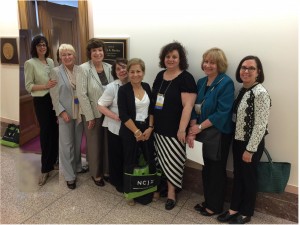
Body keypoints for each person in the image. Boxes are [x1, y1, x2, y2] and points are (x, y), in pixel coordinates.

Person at [217, 56, 271, 224]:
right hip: (238, 140)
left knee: (248, 178)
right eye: (243, 67)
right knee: (238, 175)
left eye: (251, 68)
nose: (246, 71)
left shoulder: (260, 93)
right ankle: (234, 208)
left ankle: (247, 212)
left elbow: (260, 125)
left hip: (250, 145)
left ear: (258, 72)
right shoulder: (243, 90)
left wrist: (250, 149)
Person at [187, 47, 235, 216]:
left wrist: (199, 127)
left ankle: (214, 206)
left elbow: (223, 113)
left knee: (216, 170)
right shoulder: (201, 82)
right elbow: (193, 106)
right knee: (206, 168)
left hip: (218, 134)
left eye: (212, 62)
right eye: (206, 61)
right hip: (201, 132)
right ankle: (209, 201)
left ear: (220, 64)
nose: (208, 65)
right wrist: (193, 129)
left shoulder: (226, 83)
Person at [152, 41, 197, 210]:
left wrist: (181, 129)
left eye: (174, 57)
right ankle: (159, 188)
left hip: (174, 130)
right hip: (158, 128)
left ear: (180, 59)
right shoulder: (159, 75)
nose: (170, 59)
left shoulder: (186, 78)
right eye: (168, 56)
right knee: (159, 161)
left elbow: (188, 106)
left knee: (173, 161)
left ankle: (171, 193)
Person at [118, 58, 156, 205]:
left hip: (147, 129)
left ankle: (147, 189)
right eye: (132, 71)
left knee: (148, 159)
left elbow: (152, 109)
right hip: (130, 131)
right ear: (128, 73)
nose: (135, 74)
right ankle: (130, 193)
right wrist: (137, 132)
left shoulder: (147, 86)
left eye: (138, 71)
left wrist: (150, 128)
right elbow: (123, 115)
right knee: (130, 161)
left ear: (143, 72)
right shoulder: (123, 90)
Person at [49, 44, 88, 190]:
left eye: (69, 54)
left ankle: (77, 166)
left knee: (77, 142)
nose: (67, 57)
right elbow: (54, 95)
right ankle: (69, 176)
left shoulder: (81, 70)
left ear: (74, 55)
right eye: (63, 55)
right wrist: (61, 112)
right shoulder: (55, 72)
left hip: (79, 112)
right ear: (60, 57)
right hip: (64, 113)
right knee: (66, 145)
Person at [77, 38, 113, 187]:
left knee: (106, 143)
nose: (98, 53)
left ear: (103, 52)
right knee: (94, 144)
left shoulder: (110, 67)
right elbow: (82, 94)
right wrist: (90, 116)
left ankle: (106, 171)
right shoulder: (83, 69)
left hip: (108, 112)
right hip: (92, 113)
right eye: (94, 51)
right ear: (90, 53)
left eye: (100, 50)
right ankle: (96, 174)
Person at [24, 35, 59, 186]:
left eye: (44, 45)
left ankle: (54, 161)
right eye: (39, 45)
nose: (42, 47)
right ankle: (45, 169)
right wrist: (45, 86)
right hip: (41, 101)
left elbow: (55, 79)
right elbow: (28, 86)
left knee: (55, 131)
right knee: (45, 133)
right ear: (34, 47)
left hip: (53, 99)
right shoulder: (29, 63)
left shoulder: (50, 61)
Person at [98, 58, 128, 193]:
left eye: (124, 67)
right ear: (115, 72)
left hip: (132, 128)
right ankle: (118, 182)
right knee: (116, 155)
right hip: (115, 127)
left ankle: (128, 179)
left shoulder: (136, 84)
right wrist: (115, 117)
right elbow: (100, 105)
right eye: (118, 69)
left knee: (128, 155)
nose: (122, 70)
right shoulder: (112, 87)